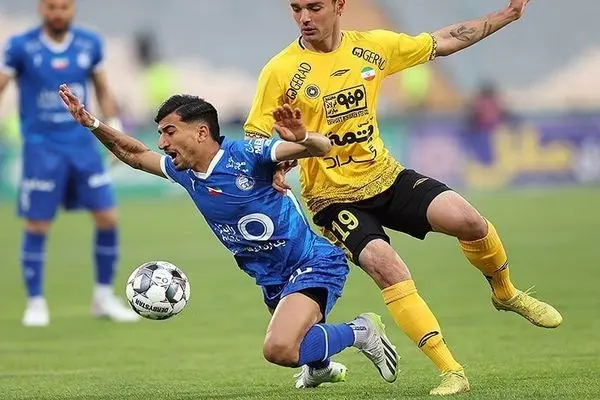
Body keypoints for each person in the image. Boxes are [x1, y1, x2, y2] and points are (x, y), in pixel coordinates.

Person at [243, 0, 562, 395]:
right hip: (332, 198)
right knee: (389, 267)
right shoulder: (280, 70)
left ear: (339, 5)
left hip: (386, 176)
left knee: (469, 221)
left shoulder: (373, 47)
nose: (304, 17)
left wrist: (505, 16)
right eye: (296, 9)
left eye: (314, 7)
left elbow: (444, 41)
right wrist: (275, 162)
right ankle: (451, 371)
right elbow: (255, 136)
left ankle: (506, 292)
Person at [58, 83, 400, 388]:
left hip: (312, 262)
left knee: (279, 348)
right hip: (271, 278)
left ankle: (360, 331)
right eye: (160, 134)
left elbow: (321, 146)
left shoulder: (247, 155)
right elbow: (133, 155)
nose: (162, 143)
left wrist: (301, 137)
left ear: (201, 132)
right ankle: (320, 367)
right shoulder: (185, 173)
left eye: (169, 132)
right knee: (298, 342)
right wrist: (92, 123)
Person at [0, 0, 139, 326]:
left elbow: (102, 88)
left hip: (83, 146)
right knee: (37, 224)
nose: (58, 13)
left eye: (64, 7)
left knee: (108, 217)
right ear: (41, 9)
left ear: (72, 9)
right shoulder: (20, 46)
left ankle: (103, 298)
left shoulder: (89, 43)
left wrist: (114, 128)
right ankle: (36, 303)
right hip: (42, 148)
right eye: (52, 7)